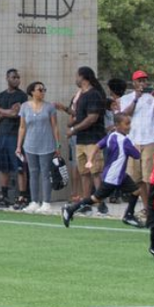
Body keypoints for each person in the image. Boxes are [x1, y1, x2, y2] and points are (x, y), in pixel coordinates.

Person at [62, 111, 142, 226]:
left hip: (119, 175)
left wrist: (90, 160)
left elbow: (97, 146)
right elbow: (137, 155)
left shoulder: (111, 136)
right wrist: (136, 145)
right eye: (127, 124)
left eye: (129, 123)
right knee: (95, 199)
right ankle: (70, 209)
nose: (129, 126)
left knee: (136, 191)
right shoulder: (125, 141)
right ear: (117, 125)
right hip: (113, 177)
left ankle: (129, 215)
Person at [62, 66, 111, 205]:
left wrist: (74, 130)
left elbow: (92, 118)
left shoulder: (94, 94)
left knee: (96, 172)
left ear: (83, 77)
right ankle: (85, 202)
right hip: (81, 140)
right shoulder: (80, 96)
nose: (75, 79)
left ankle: (101, 203)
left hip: (94, 140)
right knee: (84, 173)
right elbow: (79, 116)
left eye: (77, 76)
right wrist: (70, 118)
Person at [16, 81, 61, 213]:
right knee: (33, 173)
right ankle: (34, 201)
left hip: (47, 145)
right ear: (32, 92)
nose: (42, 92)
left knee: (46, 173)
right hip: (30, 144)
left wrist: (57, 145)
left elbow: (55, 127)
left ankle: (46, 202)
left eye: (43, 89)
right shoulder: (24, 106)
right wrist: (19, 145)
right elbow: (22, 127)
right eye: (40, 89)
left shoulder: (49, 107)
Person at [119, 70, 154, 192]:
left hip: (151, 139)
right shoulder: (126, 98)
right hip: (133, 140)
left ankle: (153, 207)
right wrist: (136, 99)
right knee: (136, 178)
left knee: (150, 177)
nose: (142, 83)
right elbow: (125, 115)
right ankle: (146, 208)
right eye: (139, 81)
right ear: (134, 83)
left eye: (144, 81)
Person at [0, 69, 28, 209]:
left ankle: (22, 196)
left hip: (15, 136)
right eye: (14, 77)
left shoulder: (22, 96)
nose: (17, 79)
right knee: (3, 167)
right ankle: (4, 195)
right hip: (2, 135)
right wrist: (6, 112)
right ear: (7, 78)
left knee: (19, 167)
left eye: (18, 77)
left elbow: (15, 114)